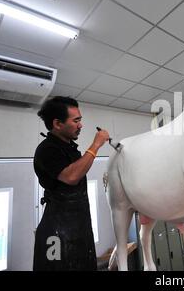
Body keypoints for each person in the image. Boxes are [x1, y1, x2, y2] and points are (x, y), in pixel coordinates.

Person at [33, 96, 110, 270]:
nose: (80, 125)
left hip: (79, 228)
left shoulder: (71, 150)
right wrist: (96, 144)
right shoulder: (46, 150)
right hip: (56, 233)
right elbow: (71, 176)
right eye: (76, 121)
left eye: (80, 120)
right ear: (58, 124)